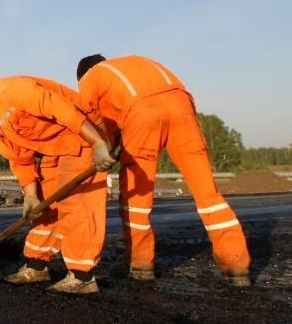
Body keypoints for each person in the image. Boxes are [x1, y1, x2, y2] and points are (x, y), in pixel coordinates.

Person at [76, 54, 251, 286]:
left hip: (142, 114)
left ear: (82, 75)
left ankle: (140, 264)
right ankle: (237, 265)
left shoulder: (90, 77)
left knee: (137, 196)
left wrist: (102, 150)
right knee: (208, 193)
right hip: (183, 109)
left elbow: (93, 124)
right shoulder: (135, 62)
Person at [0, 76, 115, 294]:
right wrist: (30, 196)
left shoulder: (11, 91)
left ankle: (83, 277)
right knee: (43, 204)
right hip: (56, 146)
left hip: (83, 134)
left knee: (76, 205)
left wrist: (98, 142)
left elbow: (63, 110)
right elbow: (19, 157)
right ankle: (37, 266)